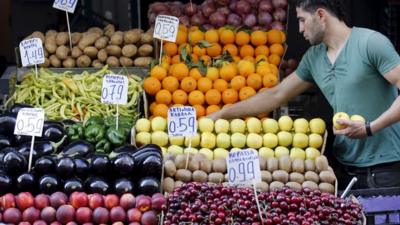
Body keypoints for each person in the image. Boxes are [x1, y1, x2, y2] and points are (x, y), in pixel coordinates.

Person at [209, 0, 400, 189]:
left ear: (320, 15)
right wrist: (222, 114)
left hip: (386, 168)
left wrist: (370, 128)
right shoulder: (314, 57)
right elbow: (277, 95)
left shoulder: (370, 43)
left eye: (302, 20)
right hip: (343, 167)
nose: (300, 29)